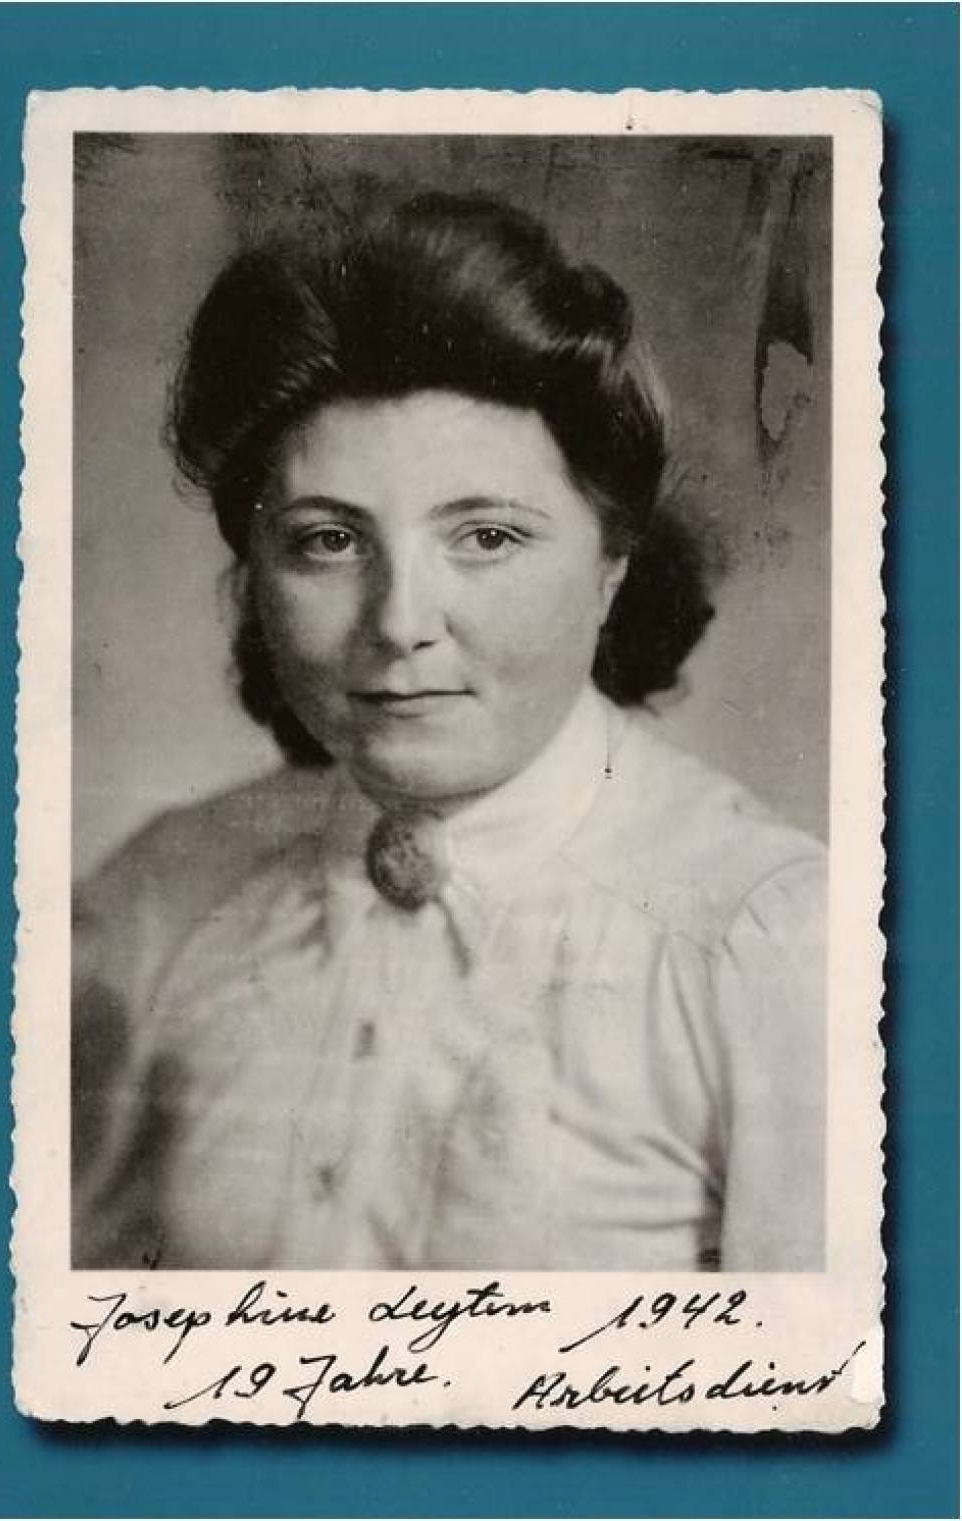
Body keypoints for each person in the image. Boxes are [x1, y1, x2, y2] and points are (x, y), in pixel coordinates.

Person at [72, 191, 826, 1272]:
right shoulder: (156, 901)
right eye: (328, 540)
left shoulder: (770, 940)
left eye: (486, 537)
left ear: (611, 566)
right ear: (253, 574)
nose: (399, 623)